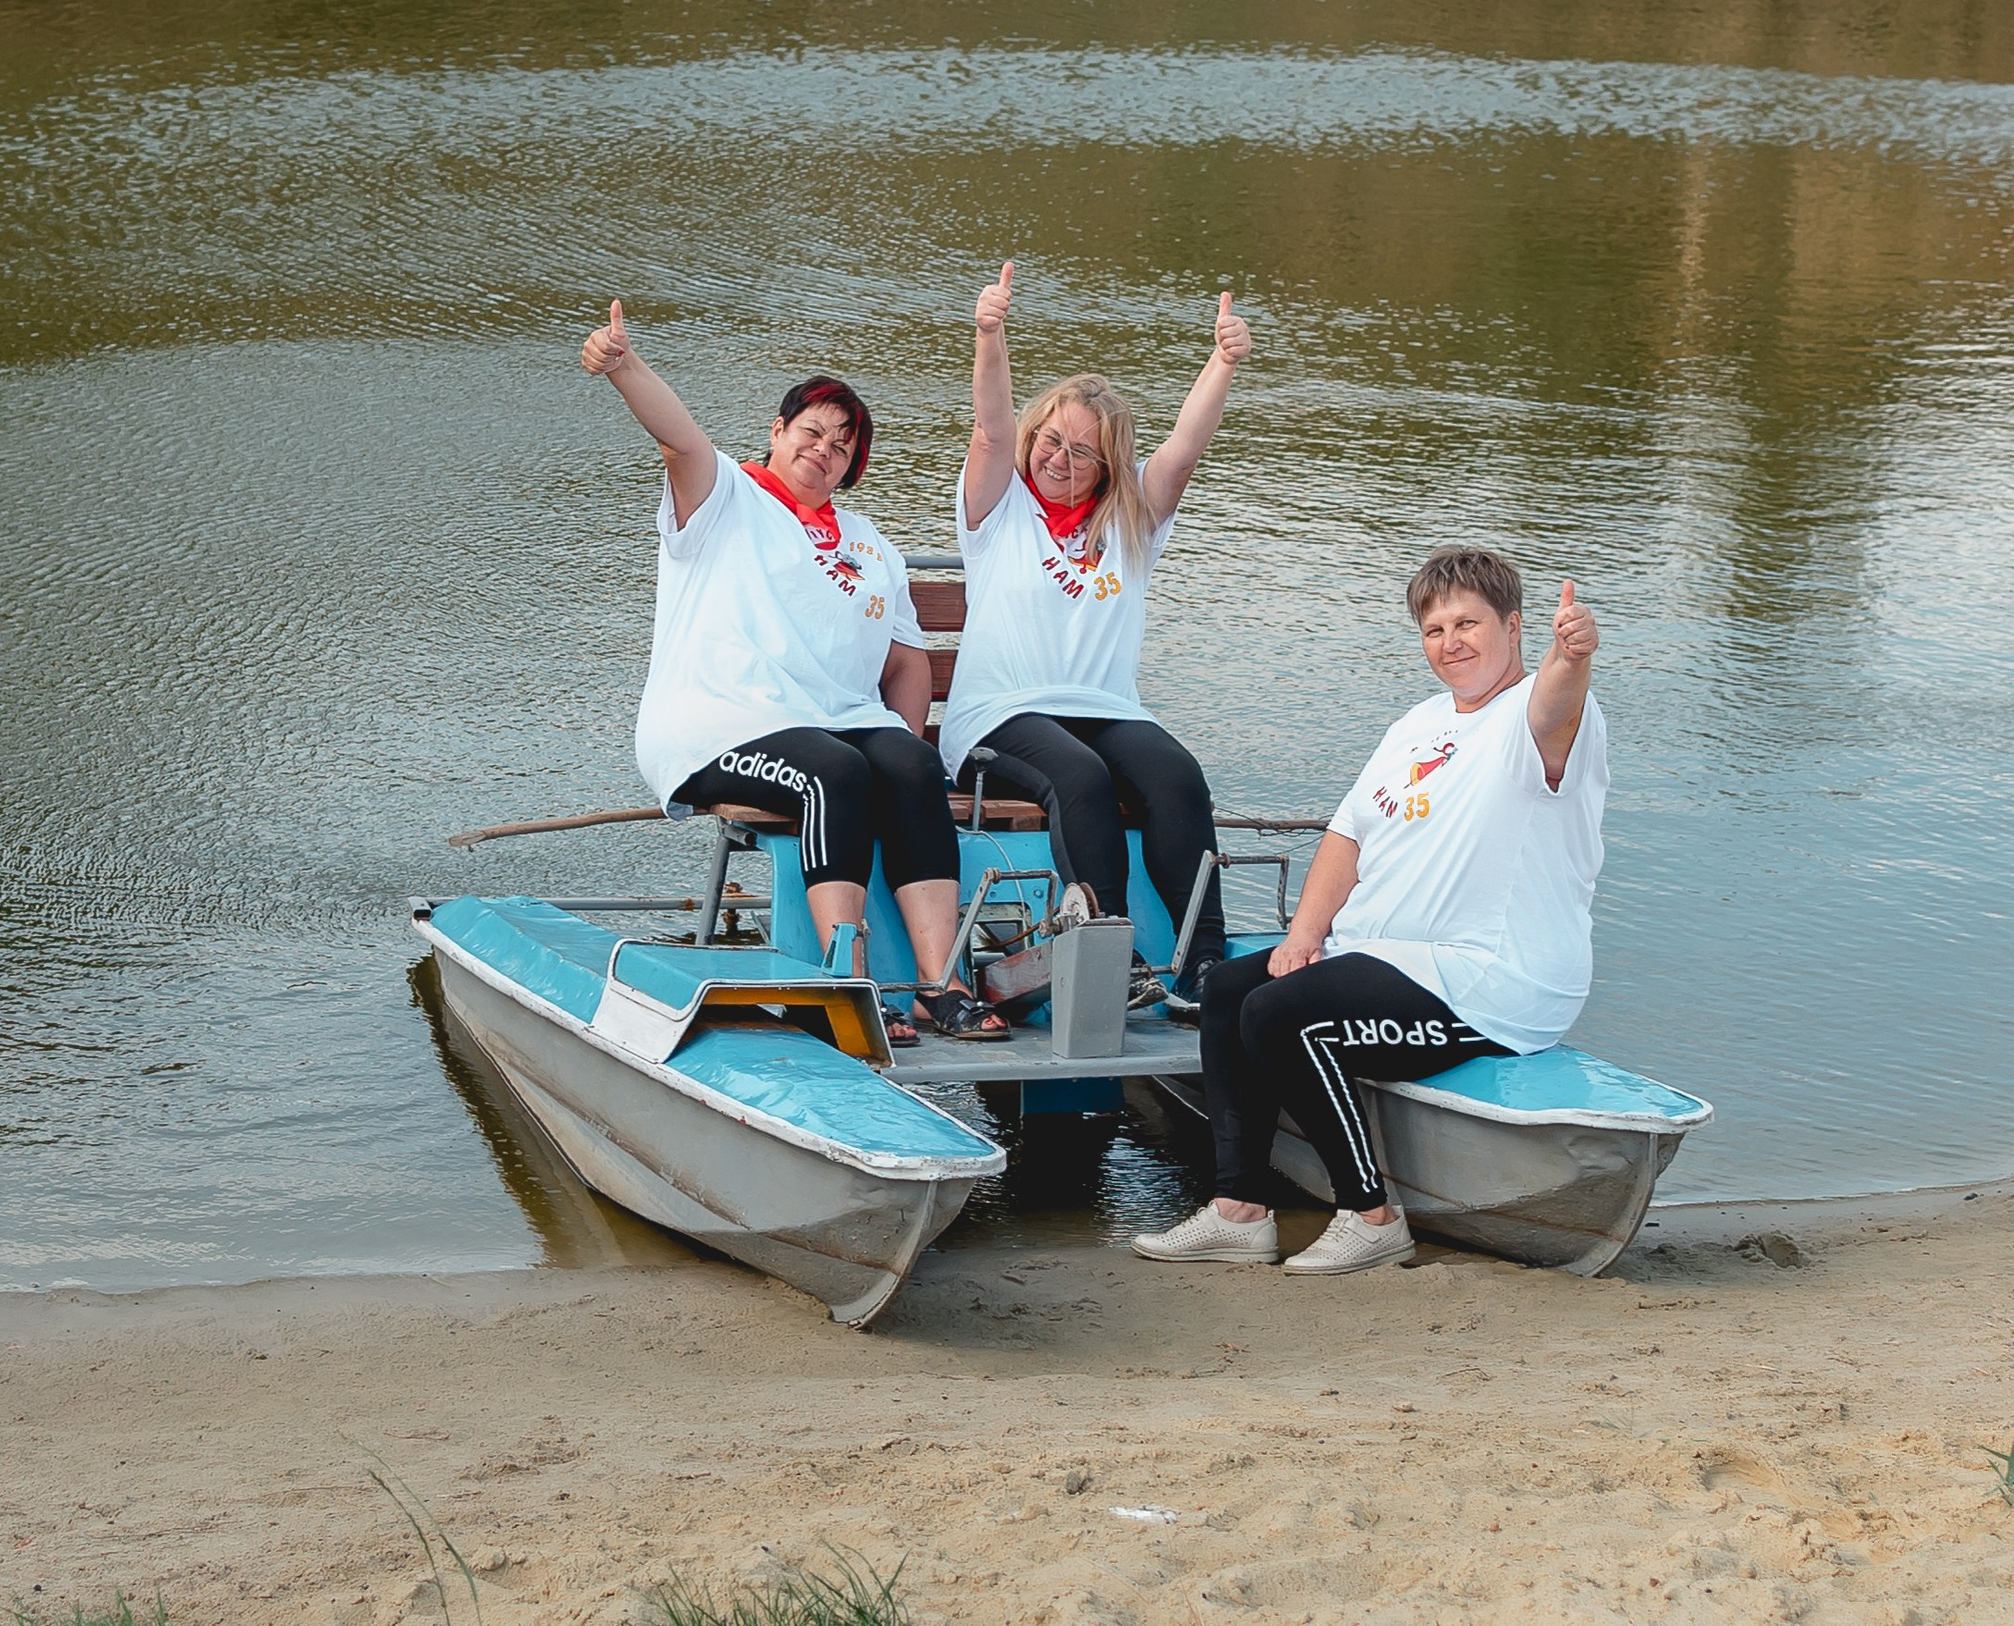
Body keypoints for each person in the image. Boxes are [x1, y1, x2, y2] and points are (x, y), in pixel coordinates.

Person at [1132, 546, 1608, 1274]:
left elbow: (1554, 705)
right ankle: (1239, 1211)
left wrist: (1572, 658)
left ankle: (1371, 1216)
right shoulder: (1420, 721)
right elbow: (1347, 833)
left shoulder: (1533, 716)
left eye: (1468, 624)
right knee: (1229, 988)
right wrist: (1303, 934)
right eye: (1434, 629)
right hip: (1389, 955)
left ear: (1513, 627)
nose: (1451, 642)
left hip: (1491, 978)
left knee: (1279, 1014)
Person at [580, 300, 1009, 1044]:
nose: (824, 449)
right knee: (833, 774)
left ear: (852, 466)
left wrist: (899, 753)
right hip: (720, 727)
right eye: (812, 430)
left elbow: (906, 661)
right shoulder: (726, 497)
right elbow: (679, 438)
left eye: (843, 444)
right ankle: (846, 985)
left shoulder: (870, 544)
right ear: (778, 431)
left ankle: (939, 985)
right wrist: (625, 367)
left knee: (911, 764)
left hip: (837, 726)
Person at [940, 262, 1251, 1012]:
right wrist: (989, 333)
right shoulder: (1001, 507)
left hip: (1105, 708)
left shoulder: (1130, 519)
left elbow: (1183, 449)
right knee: (1079, 776)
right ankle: (1112, 949)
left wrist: (1222, 362)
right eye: (1051, 440)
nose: (1058, 459)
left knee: (1176, 775)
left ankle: (1204, 962)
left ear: (1108, 465)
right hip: (999, 716)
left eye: (1081, 453)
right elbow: (990, 427)